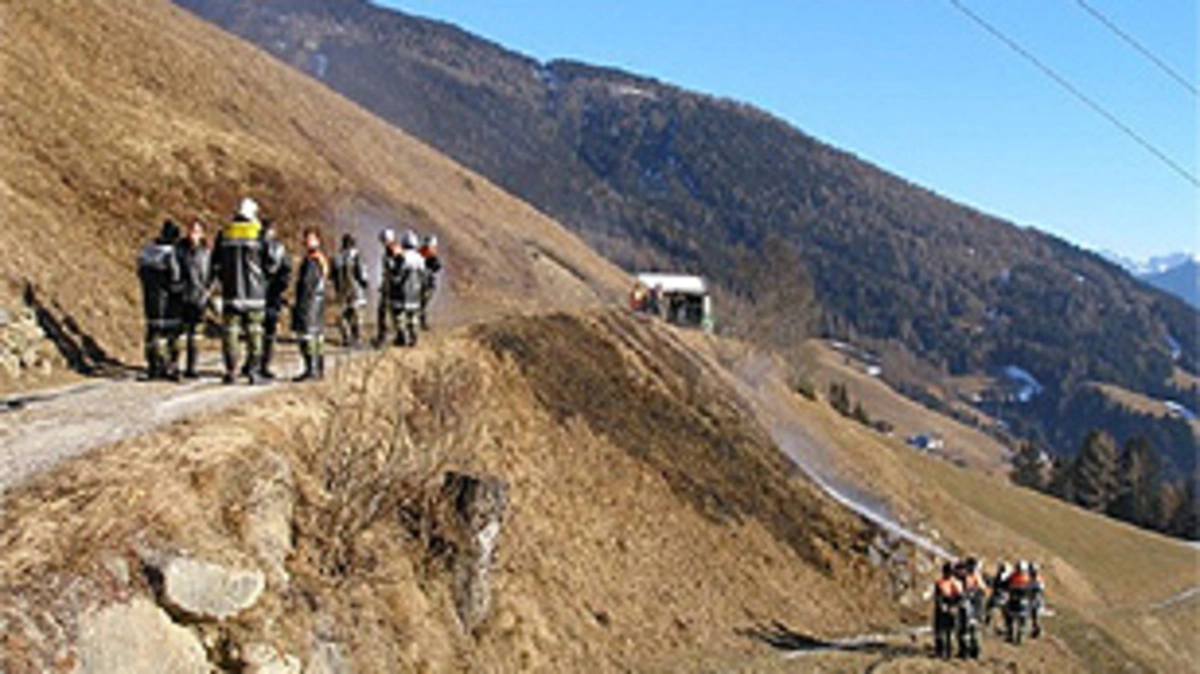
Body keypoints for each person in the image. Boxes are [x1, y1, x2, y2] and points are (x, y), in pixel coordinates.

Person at [212, 198, 268, 385]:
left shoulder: (225, 233)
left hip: (231, 293)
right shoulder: (258, 233)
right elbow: (270, 262)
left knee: (230, 333)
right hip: (255, 295)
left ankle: (231, 371)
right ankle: (253, 372)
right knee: (255, 333)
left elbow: (215, 264)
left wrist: (222, 282)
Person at [137, 220, 184, 380]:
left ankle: (153, 366)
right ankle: (169, 365)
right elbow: (175, 278)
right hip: (169, 301)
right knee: (170, 334)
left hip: (150, 298)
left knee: (153, 332)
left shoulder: (147, 250)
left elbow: (140, 271)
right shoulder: (171, 253)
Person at [292, 228, 328, 381]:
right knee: (316, 336)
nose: (307, 242)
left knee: (307, 336)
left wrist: (300, 305)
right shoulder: (320, 260)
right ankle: (318, 369)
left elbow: (307, 285)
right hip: (317, 303)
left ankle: (311, 370)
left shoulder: (312, 261)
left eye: (310, 239)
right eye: (306, 239)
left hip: (309, 303)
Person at [177, 220, 211, 379]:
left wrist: (207, 291)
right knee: (180, 334)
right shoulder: (180, 250)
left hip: (199, 297)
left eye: (196, 231)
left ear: (202, 234)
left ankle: (192, 367)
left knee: (196, 334)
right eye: (191, 230)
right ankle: (175, 365)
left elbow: (211, 274)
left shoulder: (206, 252)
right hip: (183, 296)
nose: (193, 234)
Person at [259, 219, 292, 380]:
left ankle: (258, 363)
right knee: (266, 331)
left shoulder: (256, 246)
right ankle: (262, 364)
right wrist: (281, 287)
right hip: (268, 293)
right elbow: (286, 270)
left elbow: (286, 271)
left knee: (261, 331)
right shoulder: (278, 248)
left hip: (262, 293)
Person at [381, 230, 426, 347]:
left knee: (399, 315)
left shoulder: (401, 257)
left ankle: (402, 336)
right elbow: (423, 276)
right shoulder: (420, 258)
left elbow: (396, 274)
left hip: (401, 292)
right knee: (413, 316)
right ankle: (413, 335)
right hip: (415, 292)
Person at [331, 233, 368, 347]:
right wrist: (365, 285)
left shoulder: (336, 258)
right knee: (357, 317)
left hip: (341, 292)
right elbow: (363, 276)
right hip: (356, 291)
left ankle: (346, 338)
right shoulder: (357, 257)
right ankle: (357, 339)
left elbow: (332, 276)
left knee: (343, 317)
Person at [933, 562, 963, 660]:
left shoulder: (956, 583)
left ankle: (949, 652)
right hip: (941, 608)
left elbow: (960, 597)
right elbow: (937, 596)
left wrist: (955, 607)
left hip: (951, 607)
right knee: (939, 631)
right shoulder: (939, 582)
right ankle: (939, 651)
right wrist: (941, 605)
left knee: (950, 631)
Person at [957, 557, 986, 659]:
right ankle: (973, 651)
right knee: (972, 630)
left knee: (966, 630)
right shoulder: (977, 578)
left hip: (971, 607)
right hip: (975, 607)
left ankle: (967, 651)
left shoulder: (971, 578)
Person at [374, 228, 397, 347]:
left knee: (388, 313)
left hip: (392, 288)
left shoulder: (393, 252)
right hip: (388, 287)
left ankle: (384, 337)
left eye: (384, 240)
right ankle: (383, 336)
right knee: (383, 312)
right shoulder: (389, 252)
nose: (382, 243)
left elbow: (393, 270)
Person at [417, 234, 441, 330]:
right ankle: (421, 322)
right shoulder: (423, 254)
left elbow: (437, 267)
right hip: (423, 283)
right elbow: (437, 267)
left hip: (426, 283)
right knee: (421, 303)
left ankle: (421, 321)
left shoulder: (429, 255)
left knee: (422, 303)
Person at [985, 560, 1011, 628]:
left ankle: (988, 620)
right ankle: (1007, 625)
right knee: (1005, 611)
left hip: (999, 595)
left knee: (990, 606)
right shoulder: (1007, 575)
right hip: (1004, 595)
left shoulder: (1002, 576)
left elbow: (994, 584)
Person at [1029, 563, 1046, 639]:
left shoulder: (1038, 580)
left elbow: (1038, 590)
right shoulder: (1032, 579)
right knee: (1034, 617)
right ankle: (1036, 630)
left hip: (1036, 600)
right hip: (1034, 600)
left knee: (1035, 616)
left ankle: (1039, 631)